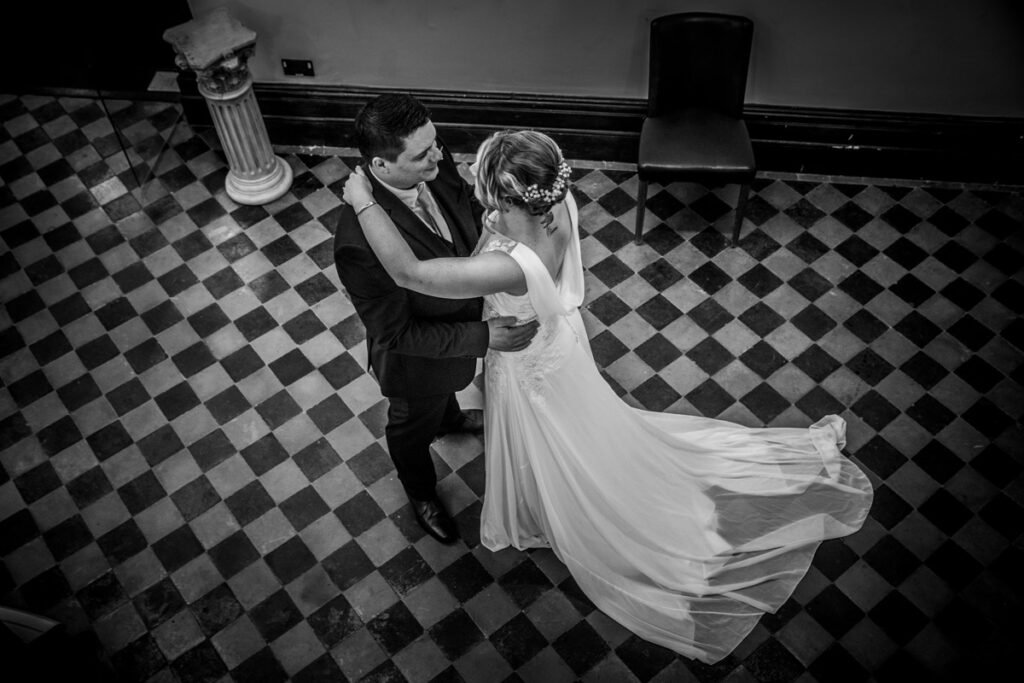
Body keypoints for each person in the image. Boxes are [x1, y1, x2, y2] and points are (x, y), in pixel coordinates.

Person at [342, 129, 873, 664]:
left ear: (507, 197)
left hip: (529, 363)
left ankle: (568, 510)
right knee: (576, 433)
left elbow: (412, 273)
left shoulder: (511, 262)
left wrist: (364, 202)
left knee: (558, 443)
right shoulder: (558, 204)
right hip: (558, 343)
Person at [332, 94, 539, 545]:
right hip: (416, 362)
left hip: (451, 345)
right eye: (422, 153)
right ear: (381, 167)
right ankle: (421, 492)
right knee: (410, 426)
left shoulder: (435, 164)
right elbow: (397, 332)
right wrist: (481, 336)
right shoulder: (358, 243)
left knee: (440, 401)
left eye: (436, 143)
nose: (439, 156)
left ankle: (449, 420)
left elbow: (463, 203)